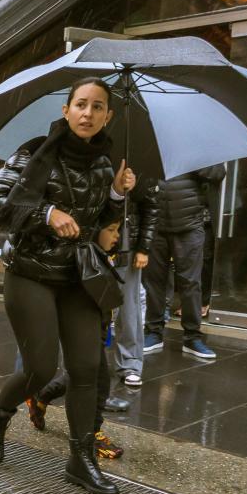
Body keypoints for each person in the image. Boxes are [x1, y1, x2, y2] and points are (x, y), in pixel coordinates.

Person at [0, 76, 136, 494]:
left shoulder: (107, 164)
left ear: (108, 116)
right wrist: (47, 213)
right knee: (41, 368)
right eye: (81, 105)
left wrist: (117, 201)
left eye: (98, 107)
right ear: (66, 110)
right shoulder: (35, 152)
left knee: (86, 368)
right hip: (30, 273)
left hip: (78, 276)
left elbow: (101, 223)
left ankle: (79, 460)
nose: (88, 113)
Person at [24, 219, 126, 459]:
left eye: (118, 230)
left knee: (85, 373)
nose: (117, 236)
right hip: (85, 327)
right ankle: (92, 433)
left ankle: (43, 395)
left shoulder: (102, 255)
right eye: (111, 230)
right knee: (98, 380)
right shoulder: (82, 257)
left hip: (98, 327)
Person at [143, 164, 225, 359]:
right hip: (155, 222)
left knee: (190, 283)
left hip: (190, 224)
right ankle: (153, 332)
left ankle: (192, 336)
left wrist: (197, 162)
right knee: (153, 282)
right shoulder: (153, 144)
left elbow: (218, 173)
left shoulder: (197, 145)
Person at [112, 164, 158, 388]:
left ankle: (130, 363)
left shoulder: (139, 162)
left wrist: (143, 248)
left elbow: (150, 207)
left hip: (125, 244)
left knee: (129, 310)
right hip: (93, 241)